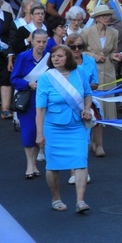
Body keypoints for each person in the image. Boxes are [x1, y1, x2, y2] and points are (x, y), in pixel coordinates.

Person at [35, 45, 93, 214]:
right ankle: (56, 198)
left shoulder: (80, 72)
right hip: (54, 127)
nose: (56, 58)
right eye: (53, 56)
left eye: (60, 56)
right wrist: (39, 134)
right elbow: (40, 109)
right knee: (53, 166)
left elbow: (88, 94)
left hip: (77, 125)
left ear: (68, 57)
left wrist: (87, 109)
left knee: (81, 161)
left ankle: (80, 201)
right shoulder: (46, 78)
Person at [10, 29, 49, 179]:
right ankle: (30, 165)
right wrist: (28, 84)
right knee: (28, 131)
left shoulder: (50, 58)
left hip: (45, 101)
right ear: (32, 41)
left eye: (44, 42)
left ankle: (38, 161)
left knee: (42, 131)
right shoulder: (23, 57)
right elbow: (14, 79)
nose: (41, 45)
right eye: (38, 41)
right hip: (28, 101)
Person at [81, 5, 121, 121]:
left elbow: (112, 52)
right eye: (104, 15)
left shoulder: (114, 32)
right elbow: (80, 51)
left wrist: (115, 56)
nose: (107, 18)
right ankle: (95, 120)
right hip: (93, 71)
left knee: (108, 101)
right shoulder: (87, 32)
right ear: (97, 18)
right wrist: (94, 56)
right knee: (95, 100)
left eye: (108, 15)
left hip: (108, 71)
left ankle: (107, 123)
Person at [66, 33, 102, 162]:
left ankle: (98, 144)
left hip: (87, 98)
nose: (76, 49)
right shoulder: (63, 61)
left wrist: (84, 88)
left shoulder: (90, 61)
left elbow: (96, 84)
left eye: (80, 46)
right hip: (68, 100)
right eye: (73, 46)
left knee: (96, 112)